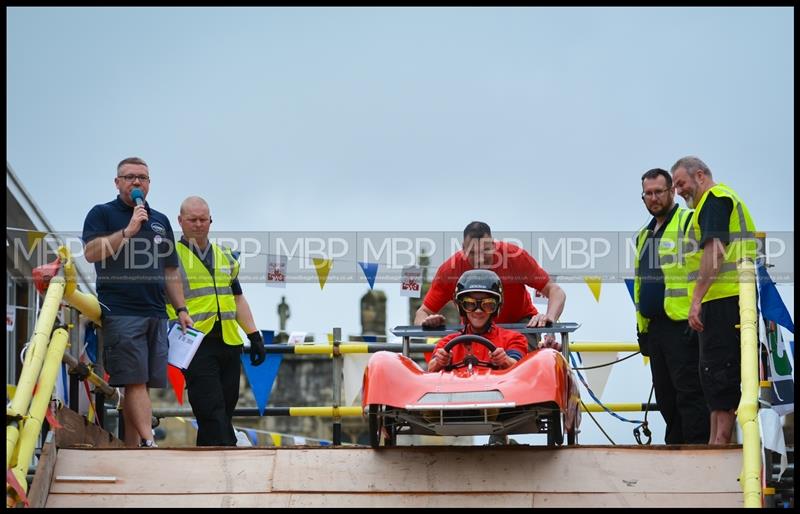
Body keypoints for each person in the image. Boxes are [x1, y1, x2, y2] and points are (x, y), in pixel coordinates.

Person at [82, 157, 193, 448]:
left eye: (142, 177)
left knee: (143, 382)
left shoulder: (160, 220)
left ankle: (133, 450)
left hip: (156, 311)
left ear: (149, 183)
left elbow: (170, 269)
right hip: (121, 309)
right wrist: (127, 231)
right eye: (129, 177)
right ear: (117, 182)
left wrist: (181, 309)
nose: (136, 183)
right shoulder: (101, 214)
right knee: (134, 381)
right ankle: (148, 441)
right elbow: (92, 253)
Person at [671, 156, 757, 445]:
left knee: (720, 378)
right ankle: (715, 445)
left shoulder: (715, 199)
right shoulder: (715, 202)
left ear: (700, 176)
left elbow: (715, 252)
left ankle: (719, 446)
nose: (679, 191)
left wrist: (696, 300)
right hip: (726, 300)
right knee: (713, 378)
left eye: (681, 183)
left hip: (723, 300)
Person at [168, 196, 267, 446]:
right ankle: (229, 459)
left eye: (203, 219)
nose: (198, 224)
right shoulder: (169, 257)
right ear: (180, 221)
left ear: (211, 221)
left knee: (224, 410)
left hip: (228, 340)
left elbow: (238, 299)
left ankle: (208, 465)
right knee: (210, 409)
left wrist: (254, 335)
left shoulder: (225, 256)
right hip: (194, 342)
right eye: (192, 220)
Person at [634, 168, 709, 444]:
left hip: (684, 324)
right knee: (665, 397)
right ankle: (675, 448)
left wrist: (699, 311)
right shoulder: (643, 235)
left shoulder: (689, 221)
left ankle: (696, 453)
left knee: (689, 392)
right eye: (648, 193)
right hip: (655, 328)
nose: (654, 198)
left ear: (671, 192)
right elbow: (642, 284)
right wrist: (641, 329)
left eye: (658, 192)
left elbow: (708, 264)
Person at [415, 221, 565, 349]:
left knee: (521, 363)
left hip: (519, 325)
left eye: (485, 250)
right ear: (463, 248)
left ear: (493, 245)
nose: (480, 259)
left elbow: (555, 291)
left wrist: (549, 321)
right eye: (473, 253)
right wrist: (426, 323)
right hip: (475, 329)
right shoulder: (450, 270)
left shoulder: (514, 256)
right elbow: (422, 313)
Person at [428, 269, 528, 373]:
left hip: (497, 389)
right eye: (470, 304)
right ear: (461, 307)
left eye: (487, 304)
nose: (478, 310)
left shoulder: (514, 339)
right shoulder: (447, 343)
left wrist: (505, 360)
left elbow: (520, 369)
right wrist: (440, 362)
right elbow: (430, 369)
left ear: (496, 307)